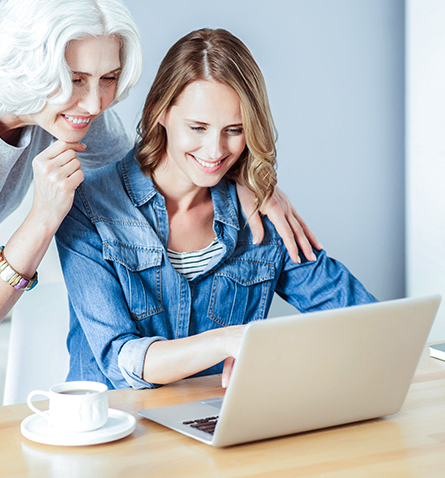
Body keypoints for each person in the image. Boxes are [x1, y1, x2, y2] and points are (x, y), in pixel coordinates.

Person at [0, 0, 314, 421]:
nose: (94, 102)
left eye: (108, 78)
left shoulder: (67, 99)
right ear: (32, 64)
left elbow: (142, 168)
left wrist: (248, 182)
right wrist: (42, 218)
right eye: (76, 79)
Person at [55, 28, 377, 391]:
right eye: (198, 127)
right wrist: (229, 341)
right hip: (117, 428)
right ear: (161, 111)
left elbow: (362, 320)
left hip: (219, 428)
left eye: (234, 130)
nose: (214, 150)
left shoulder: (259, 213)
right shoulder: (87, 206)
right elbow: (118, 358)